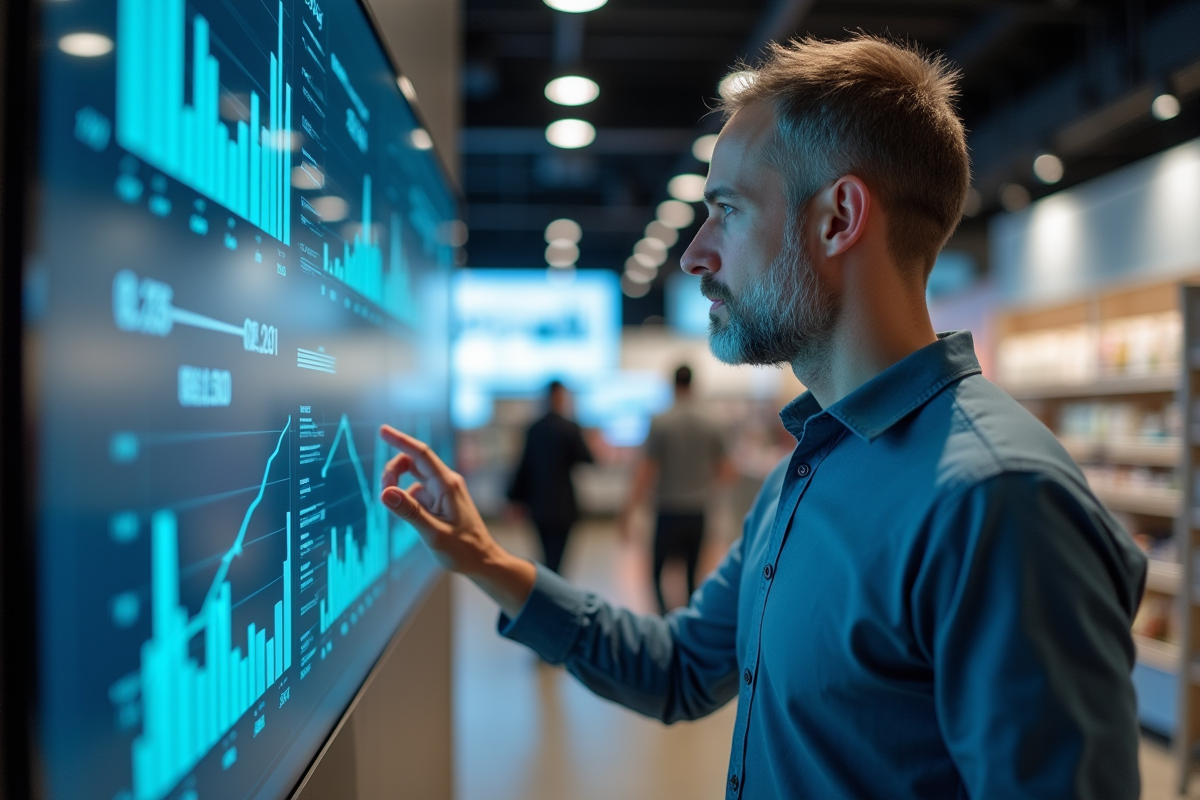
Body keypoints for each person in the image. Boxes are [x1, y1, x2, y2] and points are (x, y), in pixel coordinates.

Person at [378, 35, 1146, 799]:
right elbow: (681, 669)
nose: (695, 255)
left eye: (727, 211)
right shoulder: (809, 468)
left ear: (839, 217)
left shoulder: (997, 501)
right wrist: (487, 561)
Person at [620, 364, 734, 613]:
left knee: (656, 573)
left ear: (673, 385)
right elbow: (726, 472)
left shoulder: (660, 422)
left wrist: (628, 512)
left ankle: (665, 619)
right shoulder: (711, 423)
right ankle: (689, 622)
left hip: (667, 510)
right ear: (693, 385)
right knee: (692, 575)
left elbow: (646, 472)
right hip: (697, 510)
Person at [506, 380, 593, 574]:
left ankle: (549, 592)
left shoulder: (534, 429)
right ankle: (555, 594)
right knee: (558, 559)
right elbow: (587, 459)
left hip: (538, 504)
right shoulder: (570, 428)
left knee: (546, 556)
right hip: (563, 505)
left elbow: (523, 466)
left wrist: (512, 498)